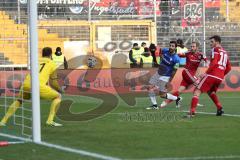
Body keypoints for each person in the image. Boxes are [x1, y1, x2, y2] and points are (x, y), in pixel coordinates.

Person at [0, 47, 63, 127]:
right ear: (51, 54)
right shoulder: (52, 63)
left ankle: (3, 121)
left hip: (26, 84)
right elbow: (53, 82)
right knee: (58, 96)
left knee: (19, 100)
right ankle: (50, 121)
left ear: (42, 54)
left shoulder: (35, 61)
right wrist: (60, 90)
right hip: (38, 86)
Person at [188, 35, 231, 117]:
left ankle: (192, 112)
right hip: (219, 77)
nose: (210, 44)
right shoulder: (225, 52)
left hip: (212, 75)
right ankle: (219, 108)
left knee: (197, 91)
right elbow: (229, 68)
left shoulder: (215, 49)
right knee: (211, 91)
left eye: (212, 42)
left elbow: (214, 63)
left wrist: (206, 73)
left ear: (217, 42)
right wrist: (221, 74)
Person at [160, 42, 207, 108]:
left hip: (190, 75)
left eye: (193, 46)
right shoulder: (187, 53)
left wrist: (207, 65)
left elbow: (207, 61)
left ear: (197, 47)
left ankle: (165, 102)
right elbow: (178, 55)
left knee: (180, 91)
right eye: (191, 46)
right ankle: (195, 101)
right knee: (200, 84)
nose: (192, 48)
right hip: (186, 72)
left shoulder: (201, 55)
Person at [146, 41, 182, 109]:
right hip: (158, 73)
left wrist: (169, 81)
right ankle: (155, 105)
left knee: (162, 95)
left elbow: (174, 71)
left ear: (175, 47)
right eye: (170, 45)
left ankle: (177, 99)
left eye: (173, 46)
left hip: (166, 76)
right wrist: (160, 57)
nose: (171, 47)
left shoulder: (176, 59)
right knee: (149, 87)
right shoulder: (165, 50)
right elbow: (160, 51)